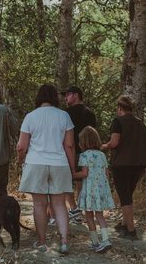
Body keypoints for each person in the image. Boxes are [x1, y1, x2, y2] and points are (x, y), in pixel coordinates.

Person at [17, 84, 75, 254]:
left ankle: (41, 242)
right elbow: (69, 145)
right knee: (59, 204)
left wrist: (21, 158)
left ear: (39, 97)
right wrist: (72, 168)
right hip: (59, 163)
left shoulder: (30, 116)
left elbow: (22, 145)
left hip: (36, 163)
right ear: (54, 98)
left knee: (39, 205)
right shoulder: (64, 116)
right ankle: (63, 243)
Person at [101, 95, 146, 240]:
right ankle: (123, 224)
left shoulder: (118, 122)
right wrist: (144, 164)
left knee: (125, 199)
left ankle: (131, 231)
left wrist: (103, 146)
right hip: (138, 164)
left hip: (122, 165)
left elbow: (114, 143)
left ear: (120, 107)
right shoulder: (141, 123)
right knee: (128, 195)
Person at [72, 126, 115, 253]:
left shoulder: (84, 156)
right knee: (100, 216)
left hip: (89, 190)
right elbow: (106, 175)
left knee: (89, 216)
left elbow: (84, 173)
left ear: (83, 141)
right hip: (101, 190)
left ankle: (95, 241)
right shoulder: (102, 155)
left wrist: (72, 175)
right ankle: (106, 240)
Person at [61, 86, 96, 225]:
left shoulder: (66, 113)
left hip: (70, 151)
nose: (65, 98)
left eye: (67, 95)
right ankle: (80, 210)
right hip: (87, 153)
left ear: (76, 95)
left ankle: (74, 209)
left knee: (65, 180)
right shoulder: (90, 113)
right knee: (82, 182)